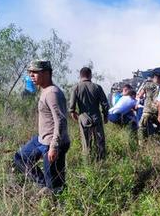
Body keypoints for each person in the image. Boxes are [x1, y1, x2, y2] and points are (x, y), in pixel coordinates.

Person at [13, 60, 70, 193]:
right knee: (21, 157)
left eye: (35, 72)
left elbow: (61, 120)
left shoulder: (52, 93)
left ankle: (56, 202)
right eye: (30, 73)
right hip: (41, 140)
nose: (31, 76)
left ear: (46, 73)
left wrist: (54, 146)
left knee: (56, 185)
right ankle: (44, 185)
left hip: (52, 143)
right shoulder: (45, 90)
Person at [69, 67, 109, 160]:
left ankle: (87, 164)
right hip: (97, 118)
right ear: (90, 75)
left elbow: (72, 107)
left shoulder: (76, 88)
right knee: (100, 142)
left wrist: (75, 115)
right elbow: (105, 104)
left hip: (83, 119)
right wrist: (105, 116)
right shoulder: (97, 87)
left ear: (80, 76)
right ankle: (101, 162)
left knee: (86, 143)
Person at [137, 73, 160, 143]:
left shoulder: (147, 85)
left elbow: (140, 96)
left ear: (153, 78)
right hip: (157, 110)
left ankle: (141, 143)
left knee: (141, 126)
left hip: (147, 110)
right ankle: (158, 140)